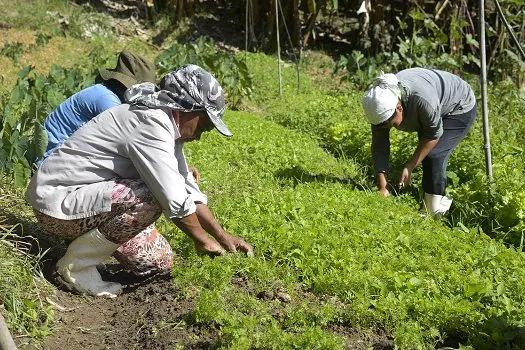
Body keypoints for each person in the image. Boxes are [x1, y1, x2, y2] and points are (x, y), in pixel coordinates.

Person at [25, 64, 253, 298]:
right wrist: (202, 241)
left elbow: (187, 187)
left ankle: (83, 251)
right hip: (57, 205)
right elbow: (173, 197)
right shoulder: (150, 122)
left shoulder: (167, 124)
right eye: (203, 127)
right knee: (151, 195)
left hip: (82, 203)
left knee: (156, 262)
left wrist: (222, 237)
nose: (198, 136)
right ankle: (75, 267)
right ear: (187, 107)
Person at [361, 68, 477, 215]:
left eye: (391, 123)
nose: (390, 127)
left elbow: (433, 135)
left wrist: (409, 166)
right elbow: (379, 146)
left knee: (433, 155)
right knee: (425, 153)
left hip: (458, 105)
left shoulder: (422, 100)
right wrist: (383, 187)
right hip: (433, 103)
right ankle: (428, 199)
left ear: (399, 108)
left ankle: (434, 211)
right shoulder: (379, 107)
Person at [40, 50, 156, 162]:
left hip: (54, 151)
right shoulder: (107, 100)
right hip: (51, 157)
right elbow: (123, 139)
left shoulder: (104, 91)